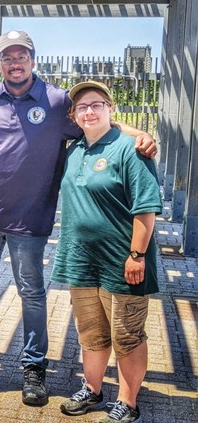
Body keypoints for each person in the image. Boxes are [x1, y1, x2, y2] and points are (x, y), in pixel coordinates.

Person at [0, 30, 157, 407]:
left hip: (32, 219)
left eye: (21, 55)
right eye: (7, 57)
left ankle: (33, 366)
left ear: (33, 59)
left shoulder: (57, 101)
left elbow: (98, 122)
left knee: (31, 293)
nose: (15, 62)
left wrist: (141, 134)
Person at [53, 81, 161, 423]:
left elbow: (145, 208)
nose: (89, 111)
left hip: (122, 263)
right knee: (91, 332)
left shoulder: (131, 149)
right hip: (81, 261)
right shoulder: (73, 151)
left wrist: (137, 255)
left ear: (110, 109)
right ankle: (93, 389)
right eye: (82, 107)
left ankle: (128, 402)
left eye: (97, 104)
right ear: (73, 115)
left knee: (126, 335)